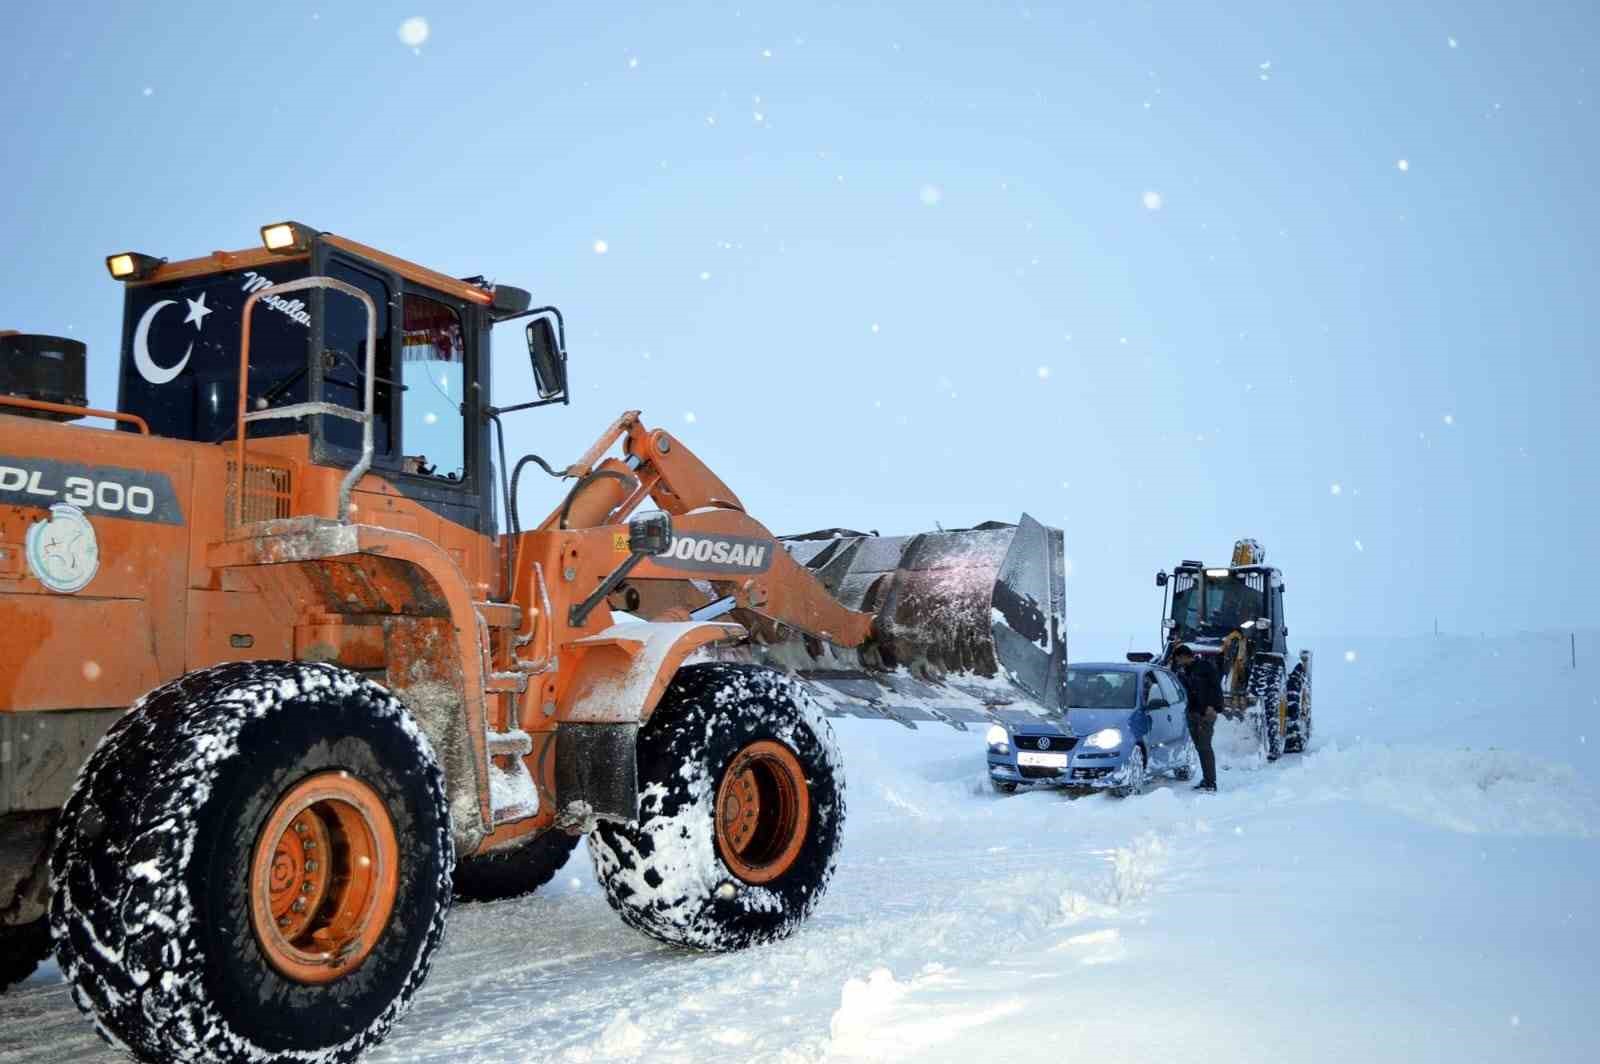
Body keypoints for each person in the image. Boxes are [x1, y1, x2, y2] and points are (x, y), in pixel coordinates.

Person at [1172, 643, 1221, 792]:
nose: (1177, 663)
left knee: (1205, 747)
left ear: (1184, 657)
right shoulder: (1183, 671)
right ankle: (1207, 779)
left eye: (1178, 659)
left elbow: (1215, 688)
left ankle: (1211, 782)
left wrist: (1212, 707)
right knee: (1200, 747)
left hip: (1206, 713)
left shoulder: (1205, 667)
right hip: (1192, 713)